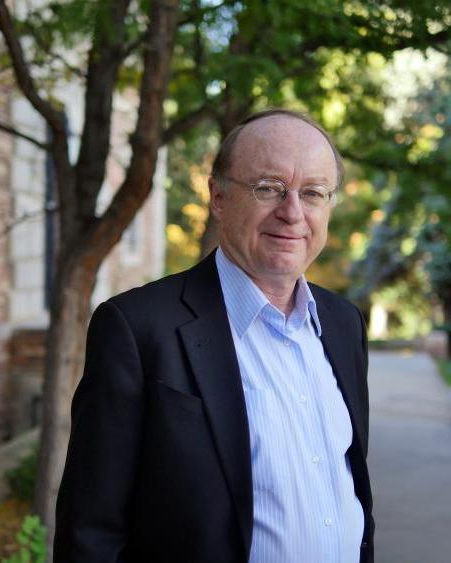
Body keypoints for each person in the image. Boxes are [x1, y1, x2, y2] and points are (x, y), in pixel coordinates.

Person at [54, 108, 374, 563]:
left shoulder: (343, 324)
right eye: (269, 189)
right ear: (219, 197)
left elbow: (352, 490)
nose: (292, 213)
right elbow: (90, 533)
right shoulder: (138, 329)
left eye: (313, 193)